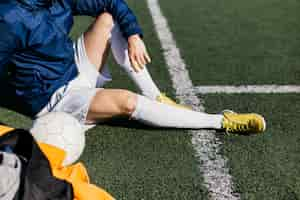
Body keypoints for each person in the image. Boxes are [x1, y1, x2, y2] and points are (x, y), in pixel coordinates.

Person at [0, 0, 265, 134]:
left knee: (109, 18)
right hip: (56, 99)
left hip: (71, 68)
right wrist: (27, 108)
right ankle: (221, 121)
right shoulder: (9, 16)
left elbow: (110, 2)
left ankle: (157, 97)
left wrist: (133, 35)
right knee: (126, 101)